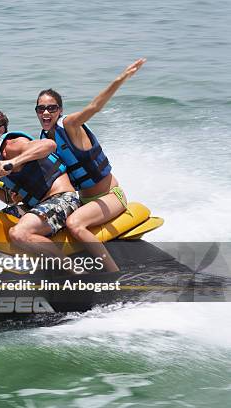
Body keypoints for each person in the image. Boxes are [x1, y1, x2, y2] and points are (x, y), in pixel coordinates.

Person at [35, 58, 147, 272]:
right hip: (84, 201)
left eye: (51, 108)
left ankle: (114, 276)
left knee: (74, 225)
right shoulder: (44, 141)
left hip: (110, 197)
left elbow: (95, 107)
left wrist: (121, 78)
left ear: (59, 110)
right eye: (41, 109)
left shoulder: (70, 125)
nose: (46, 113)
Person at [0, 107, 80, 258]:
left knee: (19, 233)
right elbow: (10, 199)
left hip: (64, 200)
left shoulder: (11, 145)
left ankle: (76, 272)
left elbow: (49, 145)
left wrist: (13, 162)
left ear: (0, 131)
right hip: (36, 205)